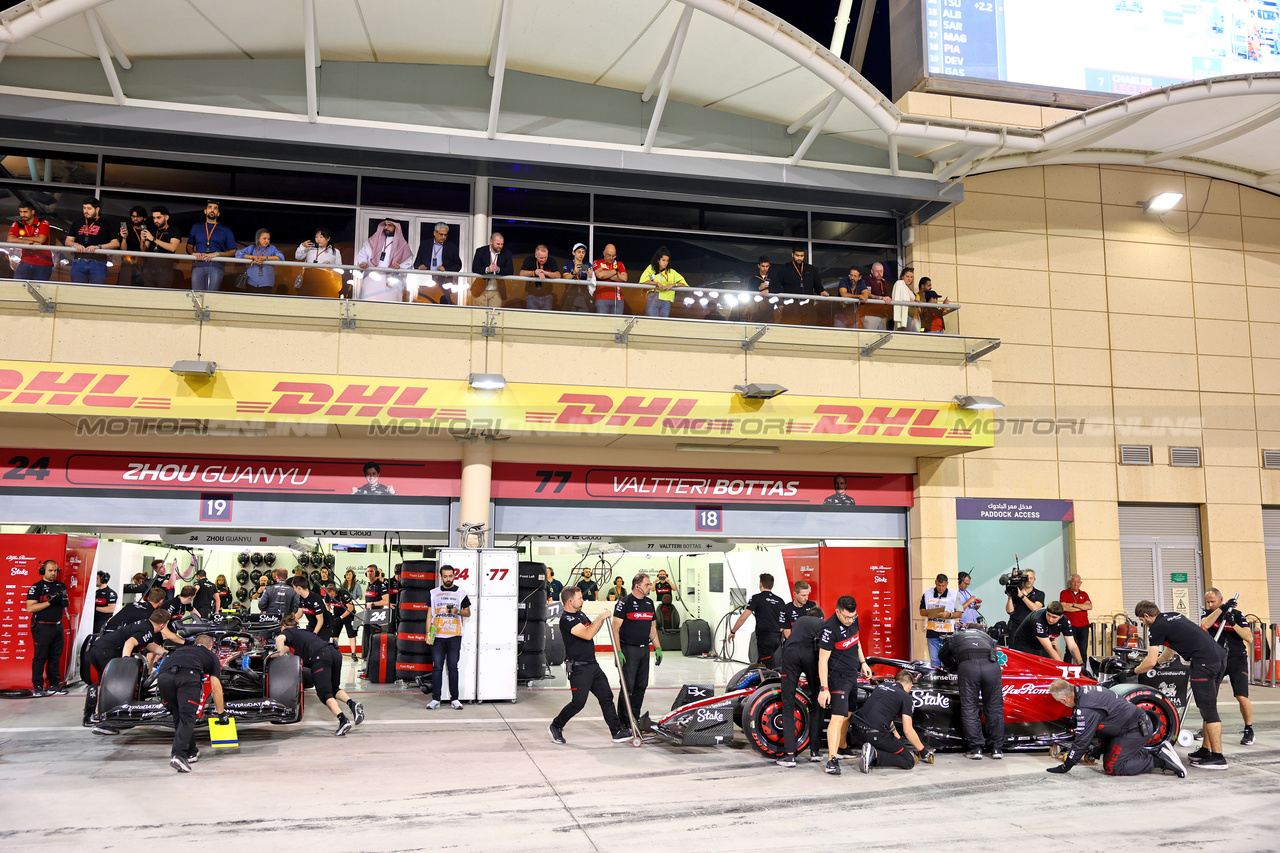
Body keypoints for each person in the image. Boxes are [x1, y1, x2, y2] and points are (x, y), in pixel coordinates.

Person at [1133, 600, 1229, 768]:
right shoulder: (1172, 616)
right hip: (1219, 658)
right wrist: (1160, 661)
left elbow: (1148, 662)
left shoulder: (1156, 628)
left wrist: (1134, 671)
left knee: (1208, 709)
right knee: (1209, 707)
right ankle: (1207, 750)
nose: (1143, 623)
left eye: (1142, 620)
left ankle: (1218, 757)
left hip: (1203, 662)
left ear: (1147, 616)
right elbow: (1171, 648)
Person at [1046, 679, 1186, 778]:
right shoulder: (1084, 690)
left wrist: (1066, 766)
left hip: (1136, 730)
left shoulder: (1086, 708)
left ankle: (1160, 760)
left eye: (1059, 701)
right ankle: (1155, 753)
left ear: (1064, 699)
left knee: (1113, 767)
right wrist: (1099, 749)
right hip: (1128, 726)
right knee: (1108, 757)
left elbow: (1083, 739)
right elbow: (1104, 725)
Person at [549, 585, 631, 745]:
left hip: (592, 665)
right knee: (578, 703)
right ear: (570, 601)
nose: (583, 600)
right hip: (579, 669)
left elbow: (592, 629)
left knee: (606, 697)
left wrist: (602, 618)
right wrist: (601, 617)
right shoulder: (567, 619)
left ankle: (616, 731)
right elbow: (587, 634)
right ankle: (556, 725)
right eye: (580, 598)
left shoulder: (579, 614)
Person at [87, 610, 184, 735]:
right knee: (114, 687)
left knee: (108, 686)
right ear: (162, 625)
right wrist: (125, 663)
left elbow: (149, 645)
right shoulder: (146, 630)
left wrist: (167, 653)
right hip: (107, 651)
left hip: (98, 649)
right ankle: (107, 723)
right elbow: (129, 643)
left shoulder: (145, 625)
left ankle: (104, 717)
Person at [275, 613, 364, 736]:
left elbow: (279, 640)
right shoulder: (302, 632)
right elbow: (285, 649)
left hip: (320, 657)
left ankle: (343, 720)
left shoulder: (288, 631)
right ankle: (353, 704)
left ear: (283, 626)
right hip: (334, 652)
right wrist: (276, 654)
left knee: (324, 693)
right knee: (333, 689)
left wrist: (280, 660)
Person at [817, 594, 873, 775]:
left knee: (848, 714)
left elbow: (856, 641)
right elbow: (822, 660)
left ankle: (842, 747)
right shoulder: (829, 628)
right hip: (837, 677)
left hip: (852, 675)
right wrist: (824, 688)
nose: (850, 620)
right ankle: (832, 760)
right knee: (838, 717)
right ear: (837, 612)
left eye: (853, 616)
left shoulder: (853, 621)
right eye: (847, 617)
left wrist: (863, 663)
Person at [157, 633, 227, 772]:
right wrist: (221, 713)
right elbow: (216, 686)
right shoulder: (211, 656)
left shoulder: (179, 651)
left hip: (163, 677)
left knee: (178, 716)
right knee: (188, 716)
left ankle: (191, 751)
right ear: (211, 646)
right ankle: (179, 755)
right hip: (187, 677)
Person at [850, 671, 934, 773]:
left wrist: (898, 738)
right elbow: (908, 730)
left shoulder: (883, 686)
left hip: (856, 730)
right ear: (910, 686)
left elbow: (885, 717)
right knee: (908, 761)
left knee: (889, 744)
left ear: (895, 681)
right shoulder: (906, 697)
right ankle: (874, 754)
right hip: (874, 733)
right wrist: (922, 750)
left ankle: (871, 751)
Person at [774, 605, 827, 767]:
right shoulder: (822, 624)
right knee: (818, 700)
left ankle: (790, 755)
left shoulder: (798, 622)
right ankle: (815, 752)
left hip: (791, 652)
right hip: (812, 653)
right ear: (821, 618)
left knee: (788, 702)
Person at [1201, 588, 1254, 746]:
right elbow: (1205, 624)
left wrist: (1233, 624)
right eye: (1208, 602)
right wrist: (1221, 609)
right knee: (1210, 697)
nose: (1210, 604)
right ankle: (1208, 726)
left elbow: (1249, 638)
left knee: (1241, 696)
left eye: (1213, 602)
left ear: (1221, 598)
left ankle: (1248, 729)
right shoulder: (1209, 613)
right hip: (1216, 658)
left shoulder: (1237, 614)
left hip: (1237, 659)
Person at [947, 627, 1004, 759]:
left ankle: (976, 748)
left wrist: (956, 666)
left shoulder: (956, 636)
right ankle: (996, 749)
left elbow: (944, 656)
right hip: (991, 666)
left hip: (968, 667)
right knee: (994, 707)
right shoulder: (987, 637)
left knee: (970, 707)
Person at [611, 573, 661, 725]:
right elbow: (615, 629)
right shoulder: (623, 603)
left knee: (641, 686)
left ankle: (634, 718)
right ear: (637, 586)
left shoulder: (649, 603)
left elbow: (652, 628)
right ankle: (624, 721)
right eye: (647, 584)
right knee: (628, 687)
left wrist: (658, 647)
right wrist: (618, 651)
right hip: (628, 650)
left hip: (644, 650)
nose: (650, 587)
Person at [426, 565, 471, 710]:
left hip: (454, 635)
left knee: (453, 667)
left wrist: (457, 610)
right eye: (445, 576)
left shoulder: (461, 592)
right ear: (441, 577)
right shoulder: (433, 593)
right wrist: (428, 633)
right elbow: (429, 615)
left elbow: (468, 613)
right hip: (437, 636)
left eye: (450, 576)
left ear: (454, 576)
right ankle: (435, 699)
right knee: (437, 667)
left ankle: (455, 699)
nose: (448, 579)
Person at [25, 559, 69, 697]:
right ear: (43, 571)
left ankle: (54, 685)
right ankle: (37, 686)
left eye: (55, 570)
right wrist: (49, 602)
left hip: (57, 626)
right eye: (50, 570)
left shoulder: (61, 586)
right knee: (40, 657)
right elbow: (30, 607)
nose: (53, 573)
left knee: (55, 657)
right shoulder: (36, 587)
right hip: (42, 627)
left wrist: (63, 601)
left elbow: (65, 602)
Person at [728, 573, 786, 667]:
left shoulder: (756, 598)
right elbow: (784, 621)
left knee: (768, 667)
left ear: (761, 584)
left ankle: (771, 681)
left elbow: (743, 617)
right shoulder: (780, 601)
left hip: (765, 639)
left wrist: (733, 631)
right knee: (761, 664)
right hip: (777, 639)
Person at [355, 219, 413, 301]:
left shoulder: (402, 245)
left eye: (389, 225)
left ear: (396, 228)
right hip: (372, 280)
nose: (386, 227)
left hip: (391, 283)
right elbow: (363, 253)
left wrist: (399, 266)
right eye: (385, 225)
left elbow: (408, 263)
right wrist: (363, 262)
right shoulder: (374, 240)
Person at [64, 197, 119, 284]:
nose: (86, 211)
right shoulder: (77, 222)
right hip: (79, 260)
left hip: (98, 261)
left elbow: (115, 243)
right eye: (84, 208)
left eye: (89, 208)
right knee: (77, 289)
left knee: (96, 291)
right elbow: (68, 241)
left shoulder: (105, 223)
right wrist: (75, 245)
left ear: (97, 209)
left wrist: (98, 247)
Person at [187, 200, 236, 292]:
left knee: (212, 295)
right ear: (205, 211)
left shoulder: (226, 230)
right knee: (196, 294)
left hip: (216, 265)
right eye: (210, 208)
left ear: (218, 213)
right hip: (198, 264)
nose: (212, 210)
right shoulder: (196, 227)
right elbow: (189, 246)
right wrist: (193, 253)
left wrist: (217, 254)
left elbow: (233, 251)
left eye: (215, 209)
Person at [1011, 602, 1083, 664]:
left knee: (1049, 665)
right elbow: (1048, 648)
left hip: (1040, 644)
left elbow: (1072, 645)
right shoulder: (1037, 619)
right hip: (1023, 643)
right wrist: (1062, 666)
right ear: (1046, 611)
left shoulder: (1065, 621)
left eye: (1054, 617)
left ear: (1061, 617)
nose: (1050, 619)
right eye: (1048, 615)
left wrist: (1081, 664)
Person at [413, 221, 462, 304]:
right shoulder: (425, 244)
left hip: (443, 281)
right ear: (435, 233)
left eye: (445, 235)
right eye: (441, 234)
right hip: (426, 280)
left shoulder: (452, 247)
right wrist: (419, 267)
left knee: (443, 305)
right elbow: (416, 263)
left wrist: (446, 269)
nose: (443, 237)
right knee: (425, 303)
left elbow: (458, 266)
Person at [919, 573, 962, 667]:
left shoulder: (953, 594)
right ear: (935, 583)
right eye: (939, 585)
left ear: (947, 584)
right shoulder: (927, 594)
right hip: (932, 631)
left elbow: (959, 613)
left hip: (947, 633)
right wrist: (932, 612)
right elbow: (922, 612)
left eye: (943, 586)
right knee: (935, 660)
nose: (941, 588)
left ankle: (946, 679)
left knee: (947, 660)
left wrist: (948, 615)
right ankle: (936, 680)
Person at [8, 201, 54, 281]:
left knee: (39, 291)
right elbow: (10, 239)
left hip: (43, 263)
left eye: (25, 212)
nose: (22, 215)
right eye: (21, 212)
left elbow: (41, 239)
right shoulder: (17, 223)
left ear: (32, 212)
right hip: (25, 261)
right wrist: (26, 242)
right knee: (18, 288)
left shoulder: (43, 222)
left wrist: (22, 238)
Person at [140, 205, 182, 288]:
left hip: (165, 268)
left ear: (166, 217)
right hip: (149, 268)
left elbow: (172, 247)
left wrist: (154, 239)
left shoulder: (174, 230)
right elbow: (144, 250)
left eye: (158, 218)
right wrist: (142, 240)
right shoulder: (152, 231)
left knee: (163, 294)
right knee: (147, 294)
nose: (155, 220)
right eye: (154, 218)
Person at [639, 246, 687, 317]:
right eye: (663, 260)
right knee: (652, 321)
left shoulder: (671, 272)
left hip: (666, 300)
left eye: (667, 261)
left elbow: (684, 284)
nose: (665, 263)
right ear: (658, 260)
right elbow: (642, 280)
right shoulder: (651, 268)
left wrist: (673, 284)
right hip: (654, 297)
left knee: (663, 323)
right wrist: (656, 283)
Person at [470, 231, 513, 308]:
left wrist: (499, 269)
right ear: (491, 242)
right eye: (498, 244)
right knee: (480, 315)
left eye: (502, 244)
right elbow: (475, 268)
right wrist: (487, 269)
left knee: (494, 315)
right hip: (480, 289)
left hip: (497, 291)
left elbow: (510, 270)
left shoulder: (507, 253)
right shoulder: (480, 251)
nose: (500, 246)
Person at [234, 228, 285, 293]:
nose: (266, 241)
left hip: (267, 283)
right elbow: (238, 253)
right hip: (251, 282)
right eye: (264, 238)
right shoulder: (252, 248)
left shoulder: (272, 248)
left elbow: (281, 257)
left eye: (268, 239)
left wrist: (266, 258)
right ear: (258, 239)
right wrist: (253, 257)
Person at [103, 586, 168, 632]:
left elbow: (111, 619)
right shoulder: (152, 613)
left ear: (148, 598)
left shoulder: (132, 604)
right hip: (118, 638)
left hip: (107, 631)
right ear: (161, 601)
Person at [1059, 574, 1093, 660]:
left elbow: (1089, 606)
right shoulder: (1064, 593)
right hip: (1070, 625)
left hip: (1084, 626)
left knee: (1083, 650)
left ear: (1081, 583)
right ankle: (1066, 670)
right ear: (1069, 582)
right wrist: (1081, 607)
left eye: (1078, 582)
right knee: (1070, 650)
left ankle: (1083, 670)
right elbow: (1064, 607)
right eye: (1074, 582)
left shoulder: (1084, 594)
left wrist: (1073, 605)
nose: (1076, 584)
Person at [115, 205, 149, 286]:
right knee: (123, 286)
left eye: (138, 216)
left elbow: (144, 251)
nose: (135, 219)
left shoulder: (147, 232)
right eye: (133, 216)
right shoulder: (128, 230)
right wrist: (124, 238)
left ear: (144, 218)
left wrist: (142, 240)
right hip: (127, 264)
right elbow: (123, 252)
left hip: (142, 266)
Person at [519, 243, 561, 310]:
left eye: (545, 257)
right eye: (541, 258)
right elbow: (521, 273)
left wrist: (545, 272)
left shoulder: (551, 261)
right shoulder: (529, 260)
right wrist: (534, 272)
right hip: (532, 296)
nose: (543, 260)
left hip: (547, 296)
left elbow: (558, 275)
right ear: (536, 255)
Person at [361, 565, 390, 660]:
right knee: (367, 639)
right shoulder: (369, 585)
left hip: (377, 617)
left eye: (372, 571)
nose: (369, 573)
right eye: (368, 571)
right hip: (367, 616)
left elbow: (386, 601)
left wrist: (372, 604)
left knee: (374, 640)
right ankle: (368, 660)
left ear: (376, 573)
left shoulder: (380, 585)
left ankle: (375, 660)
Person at [592, 243, 628, 314]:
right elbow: (600, 275)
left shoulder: (619, 264)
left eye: (613, 255)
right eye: (609, 255)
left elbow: (624, 278)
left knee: (617, 323)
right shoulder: (597, 262)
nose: (611, 258)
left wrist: (606, 273)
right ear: (604, 253)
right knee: (602, 323)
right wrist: (616, 271)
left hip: (618, 299)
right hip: (601, 298)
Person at [1005, 569, 1044, 633]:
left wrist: (1022, 596)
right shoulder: (1016, 593)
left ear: (1034, 579)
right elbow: (1010, 611)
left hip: (1031, 626)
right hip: (1015, 627)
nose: (1028, 580)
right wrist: (1010, 594)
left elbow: (1035, 608)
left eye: (1031, 578)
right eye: (1026, 578)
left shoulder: (1039, 593)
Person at [292, 576, 331, 641]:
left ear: (299, 588)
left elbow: (320, 621)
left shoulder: (315, 600)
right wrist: (291, 621)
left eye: (294, 588)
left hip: (324, 625)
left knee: (318, 645)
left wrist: (314, 634)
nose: (294, 590)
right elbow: (299, 613)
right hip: (312, 624)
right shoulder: (301, 598)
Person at [560, 242, 594, 313]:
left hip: (584, 296)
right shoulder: (568, 264)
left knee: (584, 319)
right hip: (571, 296)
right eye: (579, 252)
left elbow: (592, 280)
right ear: (573, 253)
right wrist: (574, 272)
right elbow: (565, 277)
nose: (581, 254)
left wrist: (591, 275)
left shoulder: (587, 264)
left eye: (583, 252)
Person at [859, 262, 892, 330]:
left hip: (882, 314)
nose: (879, 273)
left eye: (881, 271)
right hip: (870, 314)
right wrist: (881, 298)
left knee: (882, 338)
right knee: (869, 337)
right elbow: (867, 294)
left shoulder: (884, 282)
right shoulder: (867, 279)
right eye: (877, 271)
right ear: (872, 271)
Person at [324, 582, 356, 652]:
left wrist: (341, 617)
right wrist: (329, 615)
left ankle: (353, 653)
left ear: (335, 591)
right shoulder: (327, 595)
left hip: (348, 614)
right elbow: (327, 604)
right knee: (334, 633)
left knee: (351, 634)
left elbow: (350, 608)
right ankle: (334, 651)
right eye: (329, 595)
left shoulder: (343, 593)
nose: (331, 596)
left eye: (332, 594)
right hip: (337, 613)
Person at [890, 265, 917, 331]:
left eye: (911, 277)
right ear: (902, 276)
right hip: (905, 315)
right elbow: (904, 298)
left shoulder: (907, 287)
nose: (909, 279)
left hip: (912, 316)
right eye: (907, 276)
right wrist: (914, 303)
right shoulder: (900, 283)